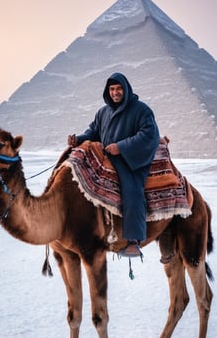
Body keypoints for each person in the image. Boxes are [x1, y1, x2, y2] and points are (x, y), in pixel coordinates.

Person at [68, 72, 160, 257]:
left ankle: (134, 240)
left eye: (118, 88)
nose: (115, 92)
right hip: (106, 156)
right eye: (112, 89)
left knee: (132, 189)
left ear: (125, 89)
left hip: (130, 160)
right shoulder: (103, 112)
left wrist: (121, 147)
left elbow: (149, 135)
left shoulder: (141, 110)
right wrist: (78, 139)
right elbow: (93, 132)